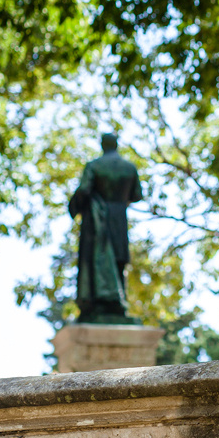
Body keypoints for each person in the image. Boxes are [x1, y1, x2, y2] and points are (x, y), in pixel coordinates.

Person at [68, 133, 143, 323]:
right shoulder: (129, 167)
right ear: (117, 144)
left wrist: (75, 204)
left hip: (98, 220)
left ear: (103, 144)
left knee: (98, 261)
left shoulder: (94, 166)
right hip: (119, 216)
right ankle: (120, 303)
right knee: (118, 260)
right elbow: (137, 195)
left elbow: (84, 189)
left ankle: (100, 305)